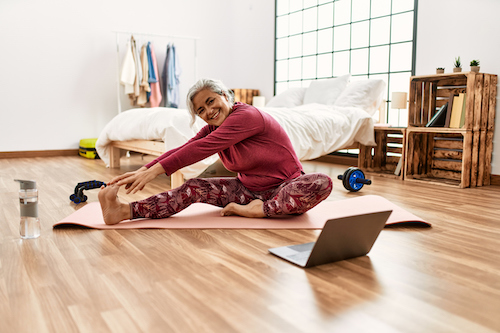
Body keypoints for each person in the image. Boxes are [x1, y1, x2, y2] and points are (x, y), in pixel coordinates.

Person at [98, 78, 332, 225]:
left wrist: (155, 172)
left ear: (225, 95)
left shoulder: (247, 116)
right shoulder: (213, 128)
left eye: (211, 101)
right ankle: (123, 211)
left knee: (322, 182)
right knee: (193, 187)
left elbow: (201, 149)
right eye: (201, 109)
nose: (209, 111)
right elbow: (186, 147)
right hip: (247, 191)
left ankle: (260, 210)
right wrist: (144, 170)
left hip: (285, 189)